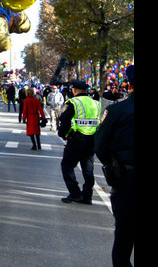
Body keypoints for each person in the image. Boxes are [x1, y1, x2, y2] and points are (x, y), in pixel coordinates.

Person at [95, 65, 134, 267]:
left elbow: (100, 146)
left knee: (124, 236)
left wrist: (113, 165)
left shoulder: (117, 110)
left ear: (129, 85)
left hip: (127, 180)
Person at [58, 80, 101, 204]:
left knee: (67, 165)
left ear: (75, 90)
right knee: (88, 169)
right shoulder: (96, 103)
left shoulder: (72, 102)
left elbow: (65, 121)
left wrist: (62, 134)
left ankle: (75, 192)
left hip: (76, 139)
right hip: (92, 140)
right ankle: (87, 196)